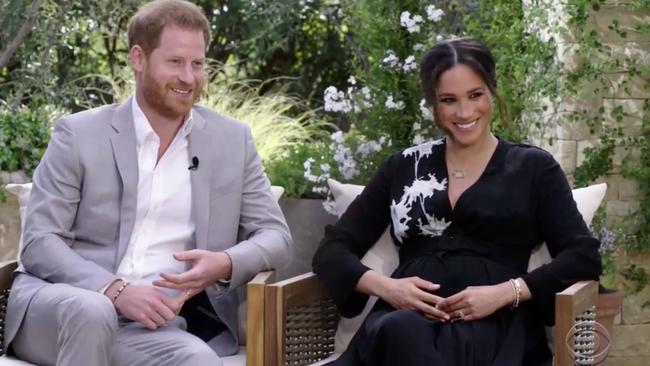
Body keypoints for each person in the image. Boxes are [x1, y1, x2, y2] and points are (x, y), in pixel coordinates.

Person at [3, 1, 292, 365]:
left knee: (201, 362)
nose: (189, 77)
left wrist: (224, 262)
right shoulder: (78, 134)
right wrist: (115, 290)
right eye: (175, 62)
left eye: (198, 64)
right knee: (94, 311)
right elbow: (40, 241)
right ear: (139, 59)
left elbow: (277, 237)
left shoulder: (232, 141)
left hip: (153, 326)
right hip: (62, 307)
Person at [312, 37, 601, 366]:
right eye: (449, 100)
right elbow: (331, 251)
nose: (464, 112)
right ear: (433, 104)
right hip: (403, 327)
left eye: (475, 95)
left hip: (497, 329)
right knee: (400, 330)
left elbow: (583, 256)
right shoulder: (403, 166)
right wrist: (387, 288)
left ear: (492, 91)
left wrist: (508, 292)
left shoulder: (534, 168)